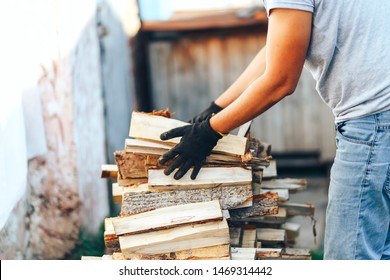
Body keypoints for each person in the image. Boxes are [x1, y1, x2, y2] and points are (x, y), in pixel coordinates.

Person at [158, 0, 390, 260]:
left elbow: (280, 80)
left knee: (349, 260)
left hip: (375, 125)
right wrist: (218, 106)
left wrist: (210, 132)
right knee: (382, 252)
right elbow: (278, 48)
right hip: (380, 122)